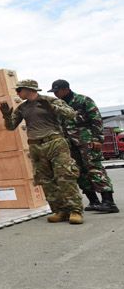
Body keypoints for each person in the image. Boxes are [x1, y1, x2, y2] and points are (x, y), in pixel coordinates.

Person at [0, 79, 84, 224]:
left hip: (55, 143)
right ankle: (59, 210)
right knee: (46, 181)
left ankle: (75, 210)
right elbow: (11, 126)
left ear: (29, 89)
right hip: (36, 146)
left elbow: (71, 114)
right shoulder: (22, 108)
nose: (17, 93)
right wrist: (7, 115)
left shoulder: (49, 101)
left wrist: (52, 107)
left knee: (65, 177)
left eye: (19, 90)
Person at [49, 79, 118, 213]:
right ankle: (93, 201)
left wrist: (98, 139)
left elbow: (96, 119)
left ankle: (108, 201)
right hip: (69, 143)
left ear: (65, 89)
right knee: (78, 171)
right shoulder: (59, 105)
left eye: (57, 91)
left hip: (87, 141)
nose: (55, 94)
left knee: (94, 168)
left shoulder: (83, 100)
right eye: (54, 92)